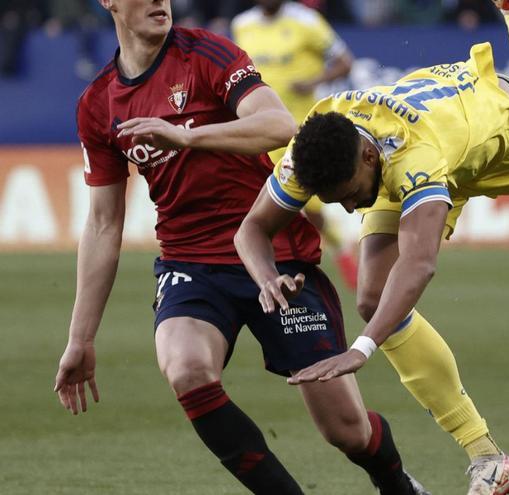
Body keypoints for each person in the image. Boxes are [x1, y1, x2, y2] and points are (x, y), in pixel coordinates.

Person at [51, 1, 427, 494]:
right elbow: (103, 223)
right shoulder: (98, 103)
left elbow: (277, 125)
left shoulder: (206, 54)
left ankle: (397, 483)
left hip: (273, 254)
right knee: (185, 369)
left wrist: (187, 137)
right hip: (189, 263)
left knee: (347, 431)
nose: (160, 1)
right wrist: (80, 338)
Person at [235, 0, 509, 493]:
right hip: (425, 143)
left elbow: (418, 265)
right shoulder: (314, 147)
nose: (351, 210)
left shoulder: (414, 156)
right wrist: (266, 278)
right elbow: (250, 230)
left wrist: (362, 348)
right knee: (373, 298)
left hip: (502, 127)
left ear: (369, 157)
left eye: (351, 197)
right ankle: (488, 457)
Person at [232, 0, 359, 290]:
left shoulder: (307, 21)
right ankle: (265, 270)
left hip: (302, 131)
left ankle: (340, 249)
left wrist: (313, 80)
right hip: (262, 130)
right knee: (260, 207)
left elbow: (344, 61)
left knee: (311, 206)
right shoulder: (242, 25)